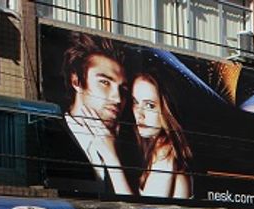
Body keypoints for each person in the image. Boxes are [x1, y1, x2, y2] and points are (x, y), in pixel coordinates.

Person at [58, 32, 131, 195]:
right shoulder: (54, 135)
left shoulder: (129, 148)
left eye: (123, 89)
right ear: (76, 82)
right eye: (105, 82)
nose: (118, 98)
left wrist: (113, 158)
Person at [131, 72, 192, 199]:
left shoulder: (165, 152)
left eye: (149, 105)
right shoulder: (158, 148)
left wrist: (110, 156)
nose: (139, 114)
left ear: (166, 110)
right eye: (135, 102)